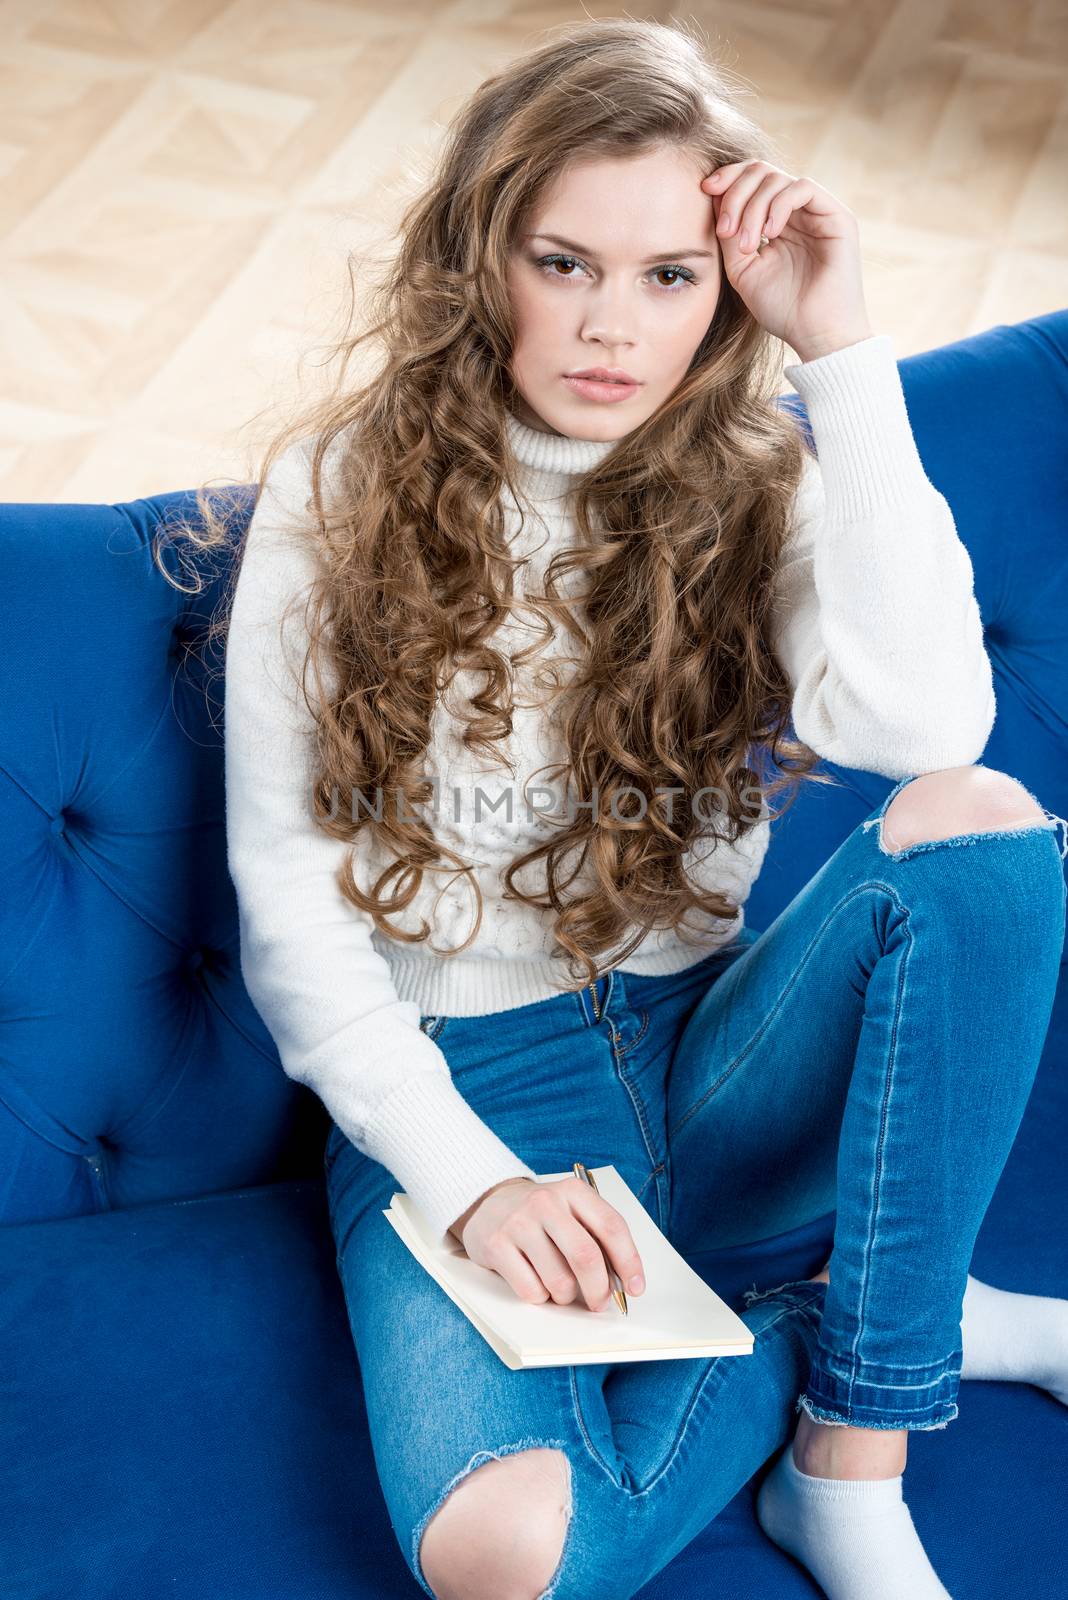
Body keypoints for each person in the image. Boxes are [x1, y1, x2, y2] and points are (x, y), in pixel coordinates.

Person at [168, 17, 1068, 1600]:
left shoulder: (756, 482)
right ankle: (889, 1312)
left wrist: (841, 355)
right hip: (468, 1090)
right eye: (562, 260)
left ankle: (853, 1460)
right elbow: (294, 919)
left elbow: (927, 722)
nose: (612, 328)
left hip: (713, 1059)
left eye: (670, 275)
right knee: (507, 1559)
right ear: (480, 257)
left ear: (726, 288)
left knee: (982, 819)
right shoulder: (340, 490)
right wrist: (475, 1184)